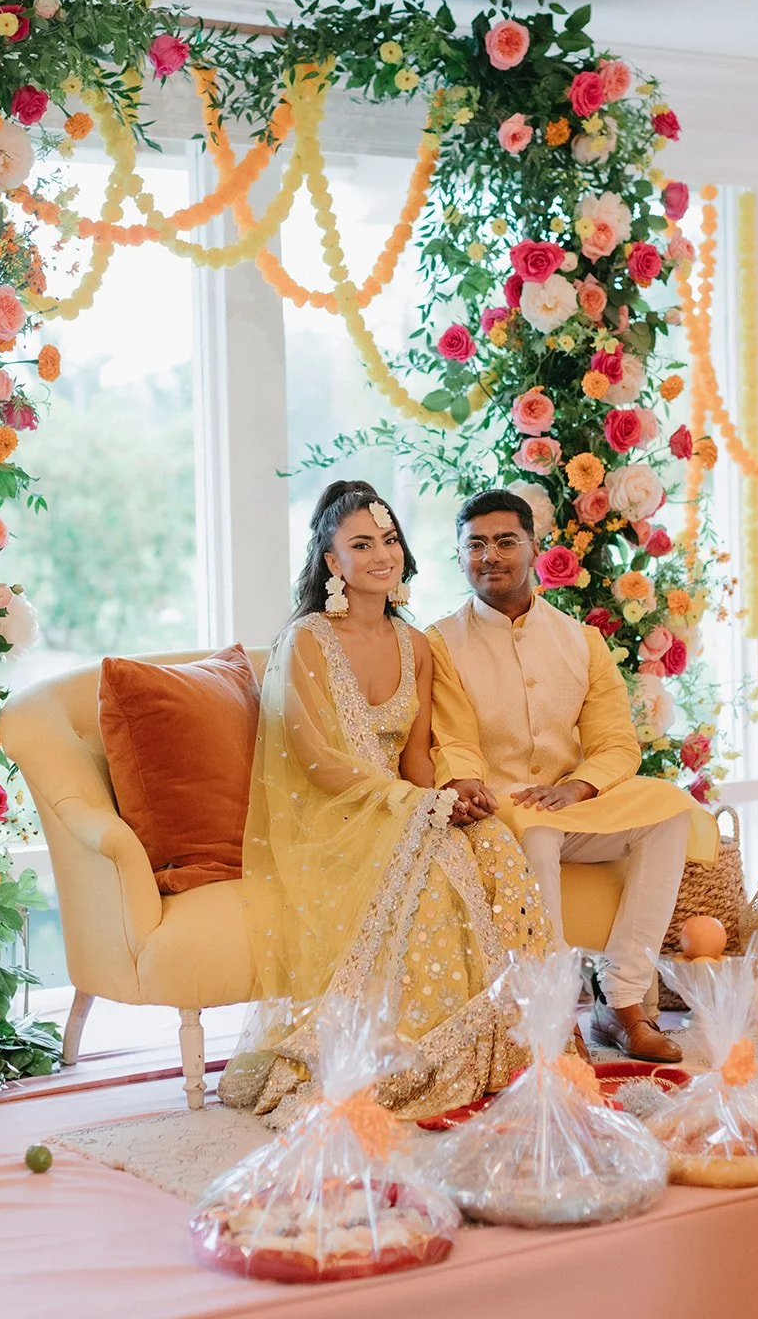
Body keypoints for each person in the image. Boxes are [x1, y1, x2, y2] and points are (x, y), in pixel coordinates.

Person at [218, 480, 550, 1123]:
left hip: (403, 804)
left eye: (390, 539)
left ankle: (511, 1044)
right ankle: (408, 1058)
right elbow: (316, 762)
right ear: (332, 562)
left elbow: (417, 756)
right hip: (333, 820)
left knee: (494, 846)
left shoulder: (415, 644)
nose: (381, 554)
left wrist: (447, 797)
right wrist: (417, 807)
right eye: (361, 544)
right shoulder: (306, 641)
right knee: (438, 872)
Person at [428, 489, 718, 1064]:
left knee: (667, 809)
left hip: (574, 801)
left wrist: (577, 787)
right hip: (503, 807)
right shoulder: (441, 643)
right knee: (535, 831)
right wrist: (467, 783)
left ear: (534, 548)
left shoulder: (579, 640)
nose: (491, 555)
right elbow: (452, 739)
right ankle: (554, 1015)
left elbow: (615, 742)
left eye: (505, 541)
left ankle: (623, 1002)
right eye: (475, 545)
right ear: (459, 557)